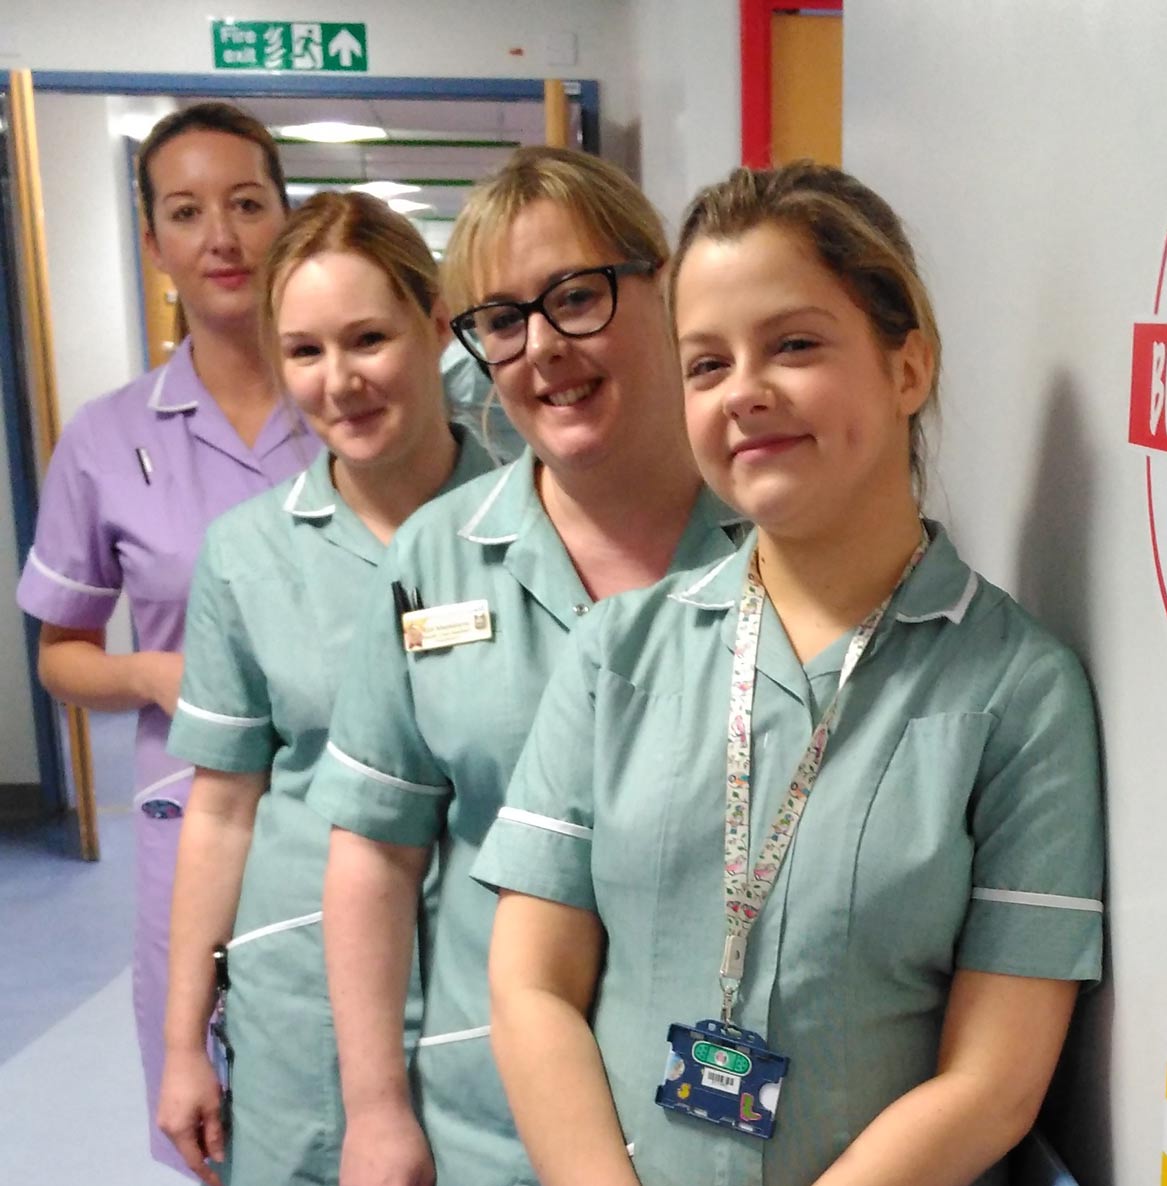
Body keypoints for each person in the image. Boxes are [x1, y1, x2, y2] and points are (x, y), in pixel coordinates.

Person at [476, 162, 1106, 1186]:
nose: (746, 392)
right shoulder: (618, 656)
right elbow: (530, 982)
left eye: (795, 345)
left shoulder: (1015, 692)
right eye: (705, 364)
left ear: (908, 368)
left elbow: (995, 1078)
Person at [306, 146, 743, 1186]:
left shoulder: (775, 538)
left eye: (576, 296)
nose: (543, 346)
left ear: (664, 286)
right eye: (502, 319)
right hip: (490, 1119)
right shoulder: (437, 557)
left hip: (718, 1121)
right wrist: (374, 1109)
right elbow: (374, 849)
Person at [153, 192, 496, 1186]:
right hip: (302, 1000)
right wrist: (182, 1045)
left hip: (492, 988)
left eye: (368, 338)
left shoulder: (533, 532)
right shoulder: (249, 555)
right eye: (304, 351)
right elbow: (220, 808)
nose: (338, 381)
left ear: (436, 326)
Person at [13, 101, 308, 1175]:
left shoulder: (359, 403)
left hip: (367, 813)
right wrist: (147, 671)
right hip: (193, 823)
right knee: (213, 1117)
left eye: (246, 203)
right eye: (186, 212)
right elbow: (62, 652)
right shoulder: (106, 438)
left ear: (288, 217)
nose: (221, 237)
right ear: (154, 243)